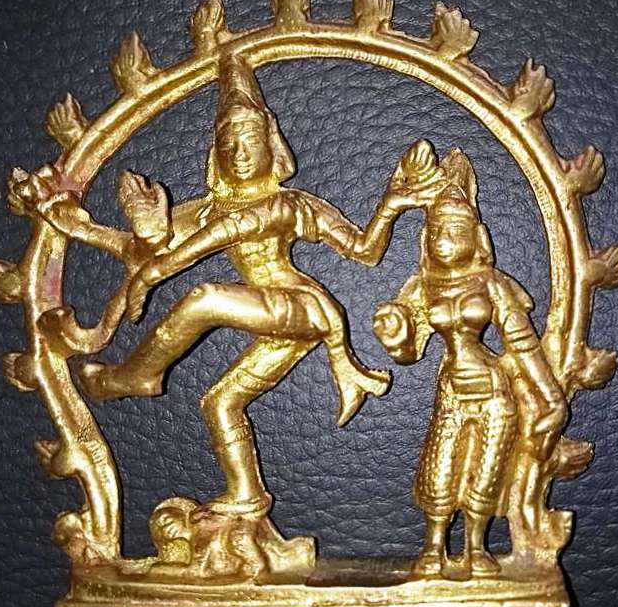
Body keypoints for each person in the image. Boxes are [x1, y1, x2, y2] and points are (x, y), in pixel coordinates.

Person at [76, 54, 439, 514]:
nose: (240, 152)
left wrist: (390, 204)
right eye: (228, 143)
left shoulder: (287, 205)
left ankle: (138, 375)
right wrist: (129, 232)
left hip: (301, 306)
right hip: (282, 325)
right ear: (215, 154)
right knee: (220, 403)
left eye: (250, 139)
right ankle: (247, 494)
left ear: (271, 144)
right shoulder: (208, 210)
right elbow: (147, 248)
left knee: (205, 298)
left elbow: (364, 250)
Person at [373, 143, 567, 578]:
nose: (445, 239)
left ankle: (476, 546)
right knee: (440, 468)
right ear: (425, 238)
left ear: (478, 237)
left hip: (495, 392)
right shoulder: (422, 287)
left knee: (486, 468)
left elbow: (523, 345)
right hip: (452, 389)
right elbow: (409, 352)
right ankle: (434, 545)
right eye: (437, 230)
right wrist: (395, 335)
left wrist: (550, 397)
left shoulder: (493, 285)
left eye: (457, 230)